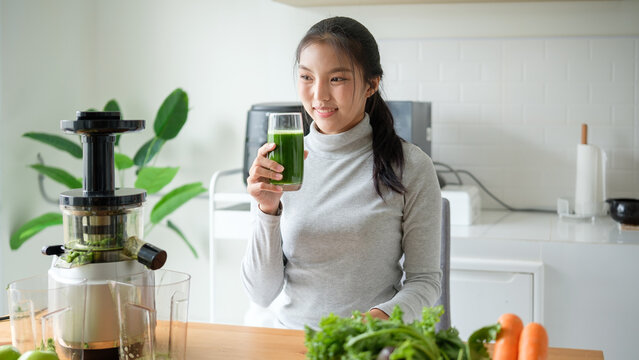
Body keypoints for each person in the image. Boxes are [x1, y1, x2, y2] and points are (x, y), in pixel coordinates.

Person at [241, 16, 441, 330]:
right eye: (307, 77)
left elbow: (425, 281)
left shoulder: (411, 166)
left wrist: (377, 321)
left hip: (368, 344)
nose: (319, 95)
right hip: (289, 341)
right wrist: (267, 210)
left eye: (336, 79)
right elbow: (261, 294)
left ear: (371, 84)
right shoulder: (284, 163)